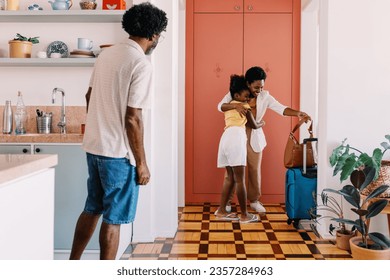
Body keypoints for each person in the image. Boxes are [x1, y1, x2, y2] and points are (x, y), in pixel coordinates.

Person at [69, 2, 168, 260]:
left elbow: (89, 96)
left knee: (92, 208)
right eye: (160, 34)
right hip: (118, 155)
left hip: (95, 147)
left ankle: (71, 265)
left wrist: (100, 125)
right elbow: (133, 118)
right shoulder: (141, 63)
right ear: (154, 34)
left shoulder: (107, 55)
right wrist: (142, 163)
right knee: (113, 219)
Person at [217, 66, 310, 215]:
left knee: (254, 169)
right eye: (256, 87)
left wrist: (297, 113)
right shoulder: (236, 91)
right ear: (248, 83)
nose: (259, 90)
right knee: (232, 172)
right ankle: (227, 202)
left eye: (261, 87)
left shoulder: (265, 96)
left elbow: (281, 108)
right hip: (236, 134)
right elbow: (220, 106)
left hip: (254, 135)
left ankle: (254, 201)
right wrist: (238, 105)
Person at [215, 75, 265, 223]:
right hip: (236, 138)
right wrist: (262, 123)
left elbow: (221, 107)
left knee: (230, 178)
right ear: (237, 95)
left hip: (225, 138)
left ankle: (222, 211)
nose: (248, 99)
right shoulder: (244, 106)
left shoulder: (229, 104)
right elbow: (254, 125)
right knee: (240, 180)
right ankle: (244, 215)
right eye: (246, 96)